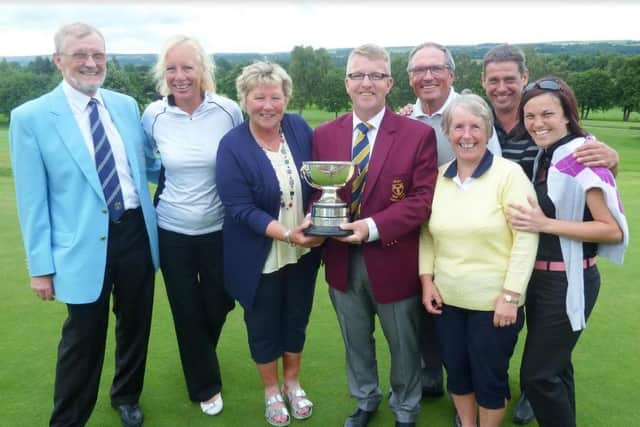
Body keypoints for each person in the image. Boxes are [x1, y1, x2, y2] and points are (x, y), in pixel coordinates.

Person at [8, 22, 159, 427]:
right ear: (59, 60)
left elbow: (148, 165)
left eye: (98, 55)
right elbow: (32, 200)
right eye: (80, 55)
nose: (91, 63)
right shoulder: (31, 118)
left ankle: (126, 395)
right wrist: (40, 266)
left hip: (136, 234)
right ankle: (69, 419)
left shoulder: (125, 105)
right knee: (83, 339)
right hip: (81, 245)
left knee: (135, 326)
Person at [480, 44, 621, 424]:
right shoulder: (549, 153)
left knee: (537, 376)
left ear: (567, 116)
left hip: (565, 279)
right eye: (531, 116)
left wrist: (545, 224)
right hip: (538, 278)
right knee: (557, 369)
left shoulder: (580, 153)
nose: (538, 122)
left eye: (547, 114)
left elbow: (609, 229)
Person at [312, 43, 438, 427]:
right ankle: (366, 398)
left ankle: (405, 408)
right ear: (346, 83)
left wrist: (371, 227)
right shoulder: (324, 134)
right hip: (340, 260)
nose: (366, 83)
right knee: (356, 340)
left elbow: (421, 200)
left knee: (403, 343)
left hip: (394, 256)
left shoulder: (417, 135)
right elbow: (318, 194)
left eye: (375, 75)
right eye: (358, 75)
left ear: (389, 83)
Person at [419, 93, 538, 427]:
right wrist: (427, 280)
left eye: (475, 126)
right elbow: (426, 233)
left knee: (489, 379)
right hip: (447, 301)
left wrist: (511, 296)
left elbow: (526, 237)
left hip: (495, 304)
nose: (466, 135)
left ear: (487, 132)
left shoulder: (509, 175)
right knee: (456, 372)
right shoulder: (438, 177)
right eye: (458, 127)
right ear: (447, 132)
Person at [216, 61, 322, 427]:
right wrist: (287, 233)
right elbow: (240, 208)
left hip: (304, 250)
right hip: (259, 255)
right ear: (244, 100)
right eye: (258, 97)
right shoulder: (232, 145)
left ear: (285, 98)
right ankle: (271, 391)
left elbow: (320, 179)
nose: (267, 105)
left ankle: (292, 382)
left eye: (275, 97)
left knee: (296, 319)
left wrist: (315, 224)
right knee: (263, 325)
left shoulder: (297, 127)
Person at [141, 35, 241, 416]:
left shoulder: (228, 110)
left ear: (203, 71)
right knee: (185, 307)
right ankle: (204, 384)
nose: (179, 76)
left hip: (219, 228)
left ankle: (199, 352)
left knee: (219, 300)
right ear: (162, 73)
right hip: (172, 229)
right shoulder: (153, 115)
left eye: (187, 67)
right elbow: (147, 162)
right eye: (171, 69)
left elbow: (238, 159)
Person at [405, 41, 502, 407]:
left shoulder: (471, 110)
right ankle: (432, 372)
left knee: (472, 317)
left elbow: (495, 170)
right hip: (421, 231)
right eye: (418, 70)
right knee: (427, 305)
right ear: (410, 77)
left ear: (451, 74)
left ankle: (482, 384)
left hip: (472, 233)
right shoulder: (404, 118)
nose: (427, 76)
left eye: (435, 68)